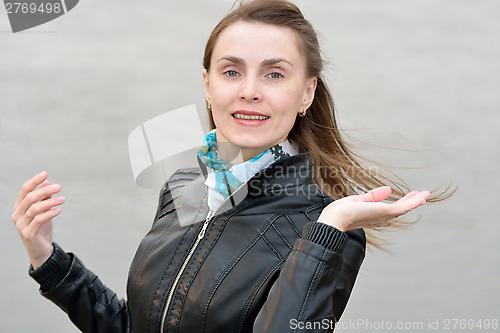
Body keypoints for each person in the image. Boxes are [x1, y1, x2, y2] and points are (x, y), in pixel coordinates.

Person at [11, 0, 437, 332]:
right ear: (208, 86)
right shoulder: (184, 185)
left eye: (274, 75)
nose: (249, 91)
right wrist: (47, 258)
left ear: (306, 93)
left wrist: (329, 228)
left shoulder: (327, 231)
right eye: (231, 72)